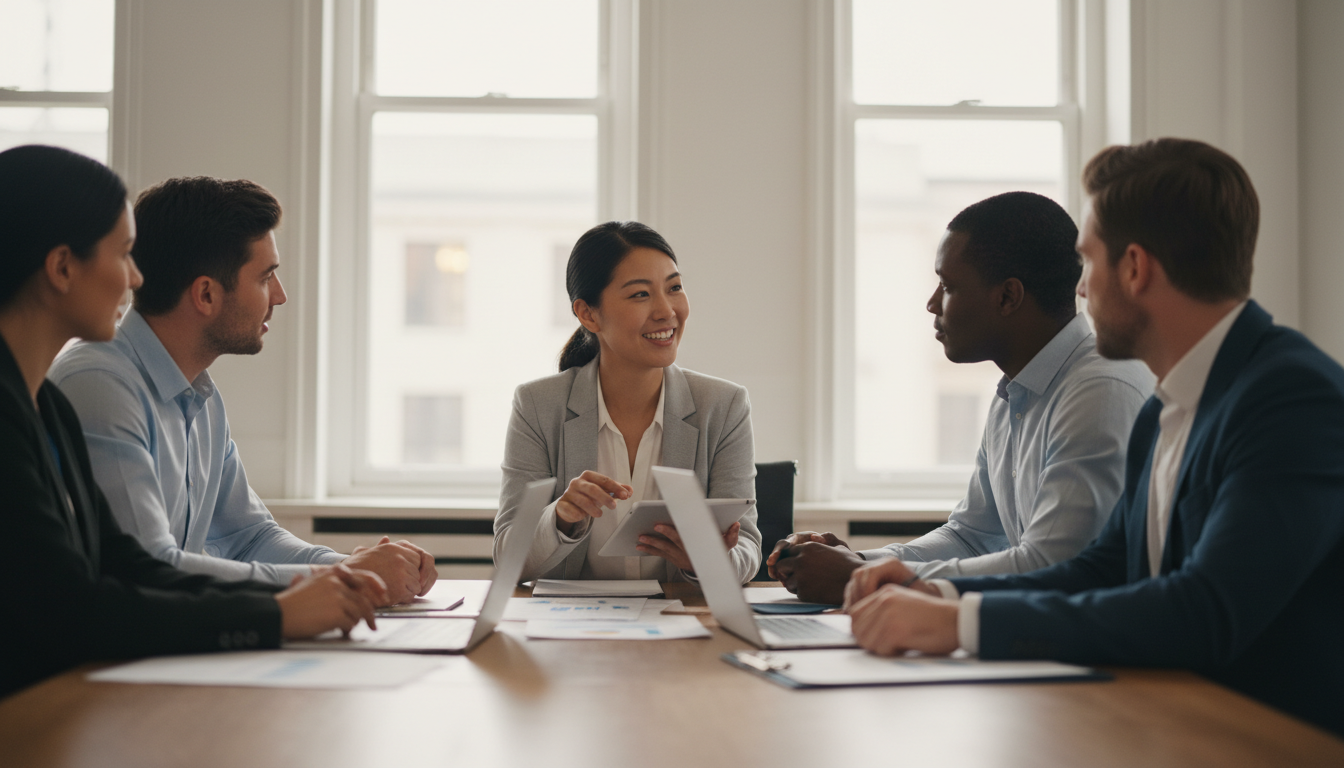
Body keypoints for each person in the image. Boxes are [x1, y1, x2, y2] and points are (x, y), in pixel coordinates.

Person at [843, 138, 1344, 737]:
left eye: (1089, 263)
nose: (1079, 289)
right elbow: (1100, 568)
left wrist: (960, 625)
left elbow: (1204, 611)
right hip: (1173, 722)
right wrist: (941, 596)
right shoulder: (1166, 406)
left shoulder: (1290, 396)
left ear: (1134, 269)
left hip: (1268, 739)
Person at [0, 145, 387, 697]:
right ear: (62, 267)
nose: (136, 279)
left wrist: (333, 579)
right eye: (124, 254)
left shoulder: (47, 405)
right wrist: (279, 613)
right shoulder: (76, 388)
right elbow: (78, 608)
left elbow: (129, 564)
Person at [49, 176, 435, 606]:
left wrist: (353, 568)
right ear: (207, 294)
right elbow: (150, 565)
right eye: (266, 276)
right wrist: (345, 575)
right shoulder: (100, 384)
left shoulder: (201, 395)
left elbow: (250, 536)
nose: (281, 296)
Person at [768, 192, 1153, 604]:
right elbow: (971, 536)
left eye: (948, 286)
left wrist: (864, 575)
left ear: (1007, 297)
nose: (932, 303)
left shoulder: (1098, 391)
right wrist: (855, 560)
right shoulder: (1014, 394)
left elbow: (1050, 565)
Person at [495, 221, 762, 583]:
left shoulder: (724, 405)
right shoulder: (538, 406)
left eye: (675, 288)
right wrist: (560, 518)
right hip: (572, 629)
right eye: (640, 295)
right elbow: (509, 559)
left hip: (679, 623)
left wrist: (702, 561)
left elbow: (746, 547)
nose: (666, 310)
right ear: (588, 314)